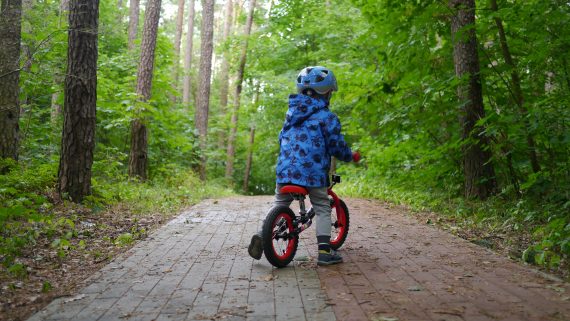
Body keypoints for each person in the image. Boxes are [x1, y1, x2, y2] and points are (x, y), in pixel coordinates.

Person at [248, 66, 360, 266]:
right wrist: (349, 156)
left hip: (284, 171)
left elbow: (281, 137)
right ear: (326, 93)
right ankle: (325, 252)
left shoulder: (290, 114)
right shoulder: (327, 117)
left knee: (280, 205)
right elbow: (336, 145)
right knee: (323, 206)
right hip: (313, 174)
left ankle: (263, 235)